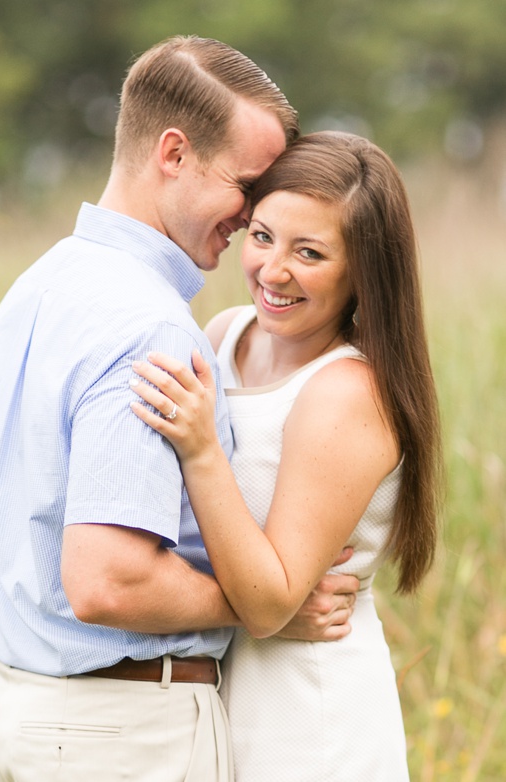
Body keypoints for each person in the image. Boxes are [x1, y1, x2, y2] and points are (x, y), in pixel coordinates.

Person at [0, 36, 359, 781]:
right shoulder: (147, 325)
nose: (250, 215)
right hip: (126, 736)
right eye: (245, 184)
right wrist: (264, 606)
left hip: (26, 714)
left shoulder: (36, 289)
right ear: (173, 153)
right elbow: (108, 580)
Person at [130, 131, 441, 779]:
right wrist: (242, 605)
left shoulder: (347, 392)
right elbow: (246, 582)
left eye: (311, 252)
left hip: (309, 712)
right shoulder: (226, 335)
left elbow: (271, 603)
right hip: (226, 684)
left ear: (363, 270)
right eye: (264, 236)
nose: (273, 271)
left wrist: (201, 447)